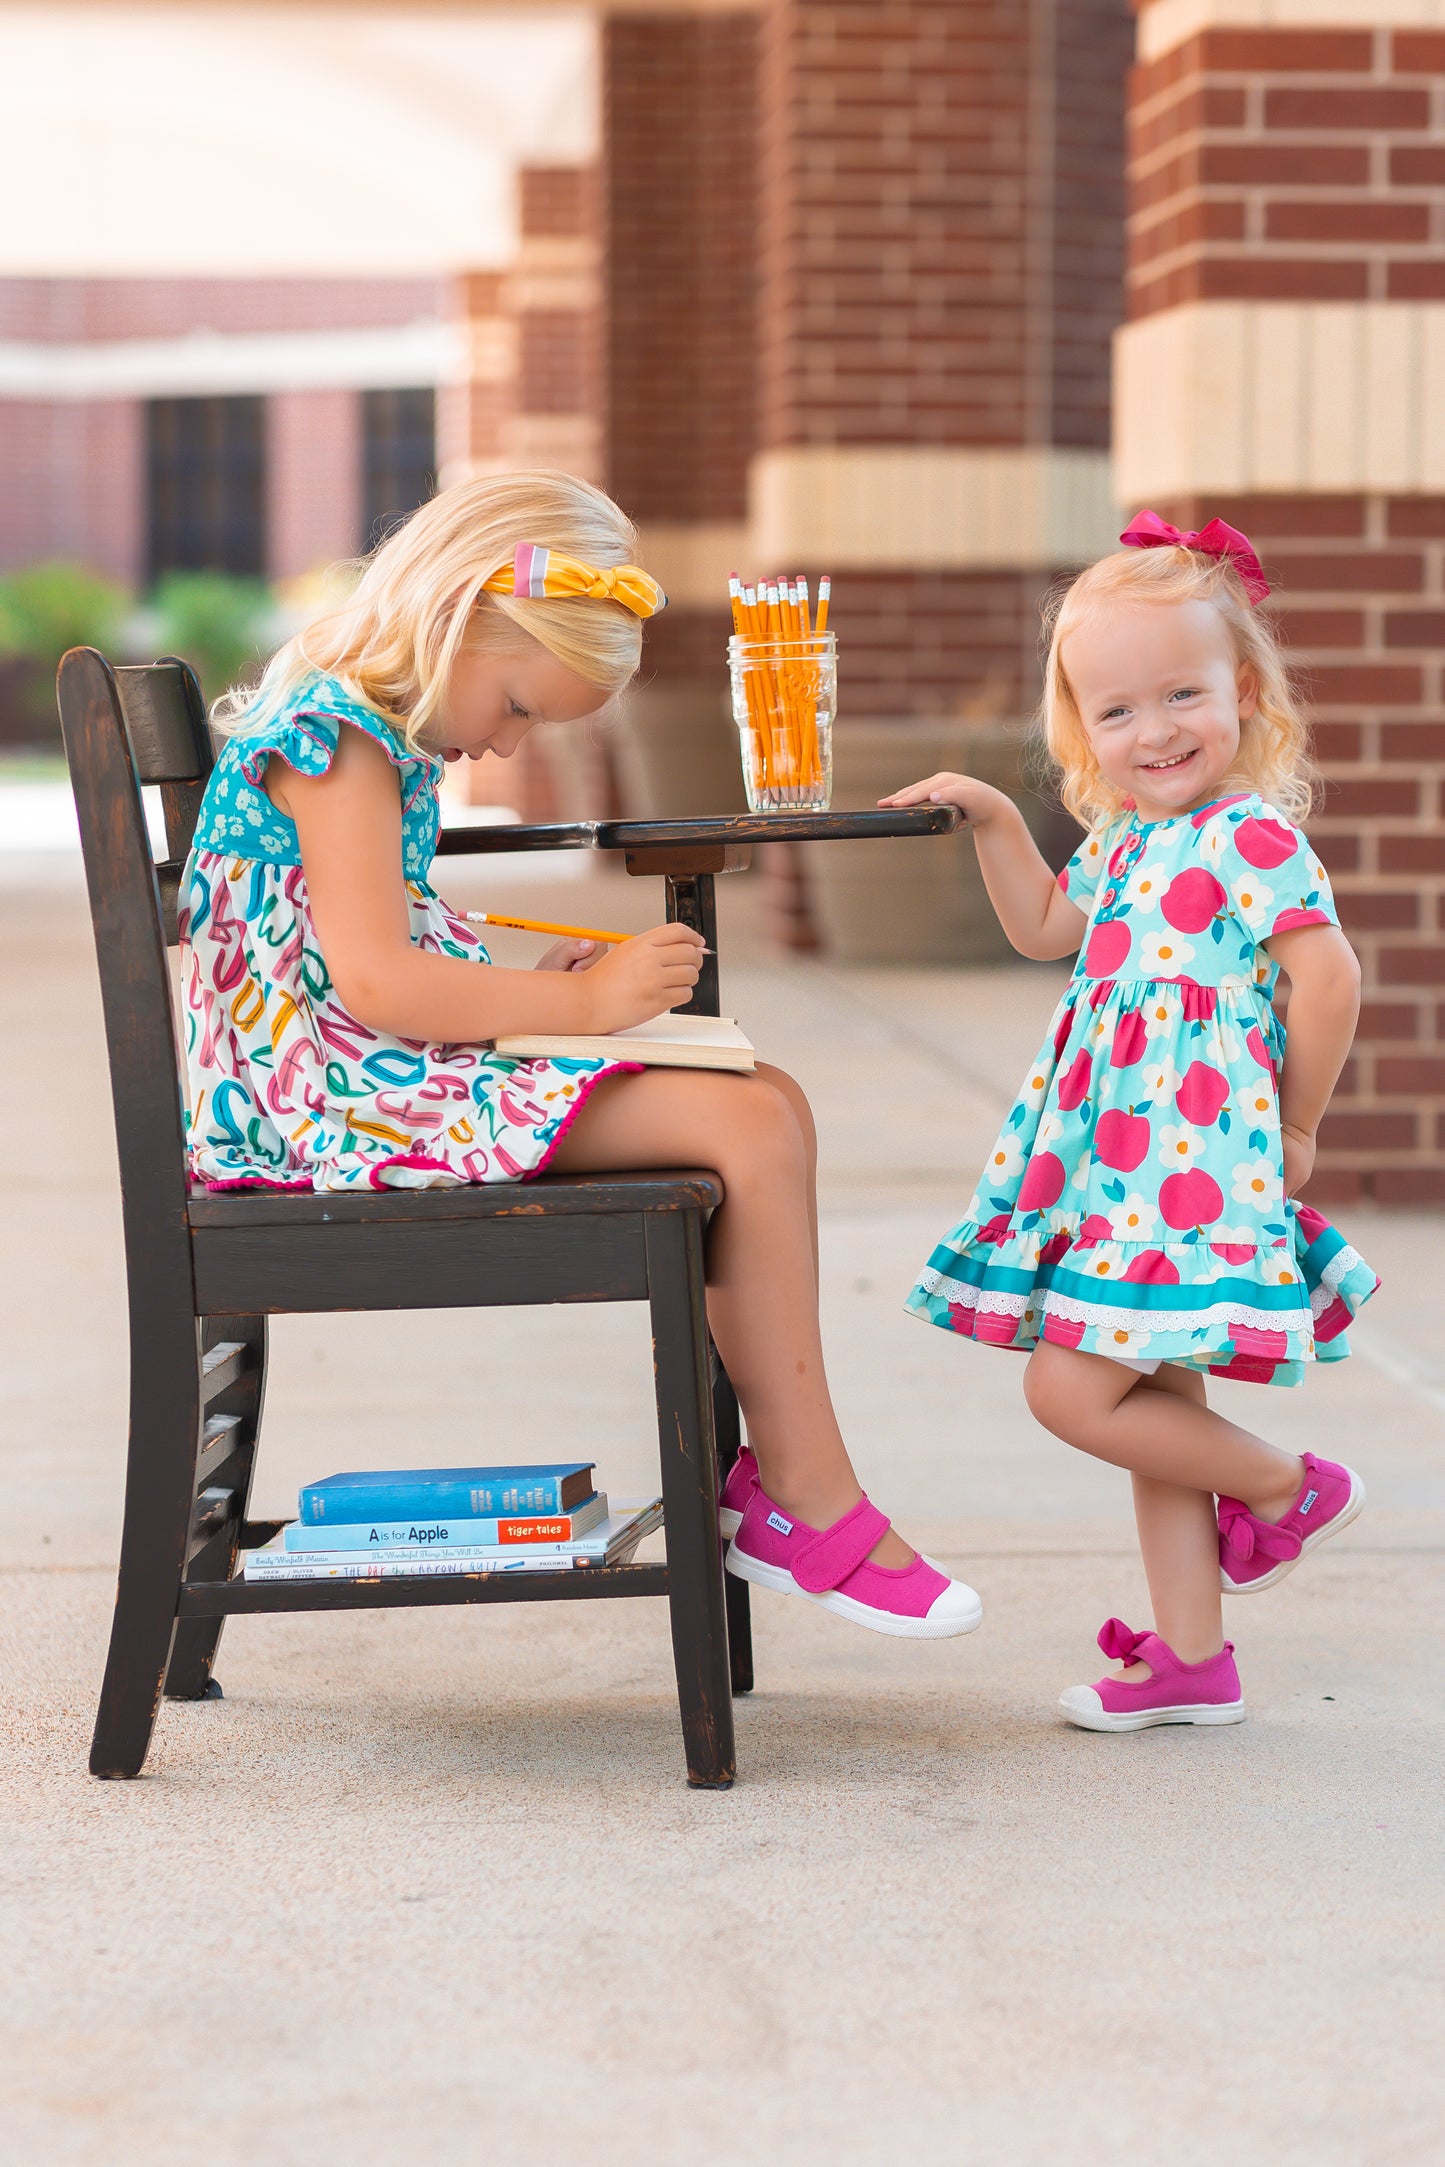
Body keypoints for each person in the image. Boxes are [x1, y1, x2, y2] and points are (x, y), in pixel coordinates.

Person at [180, 469, 980, 1640]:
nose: (505, 746)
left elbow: (369, 951)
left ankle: (788, 1483)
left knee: (771, 1101)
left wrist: (539, 995)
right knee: (746, 1120)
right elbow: (375, 981)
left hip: (353, 1078)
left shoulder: (355, 726)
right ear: (457, 613)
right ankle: (805, 1498)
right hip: (323, 1107)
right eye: (515, 705)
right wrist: (592, 1006)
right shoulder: (334, 737)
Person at [881, 512, 1377, 1729]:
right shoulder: (1120, 841)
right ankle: (1192, 1658)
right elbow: (1045, 933)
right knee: (1157, 1408)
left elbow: (1328, 979)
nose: (1152, 731)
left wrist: (1297, 1126)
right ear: (1082, 732)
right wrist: (999, 820)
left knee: (1071, 1388)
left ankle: (1286, 1487)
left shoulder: (1246, 835)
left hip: (1187, 1169)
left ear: (1243, 693)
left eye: (1179, 695)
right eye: (1116, 712)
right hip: (1114, 1174)